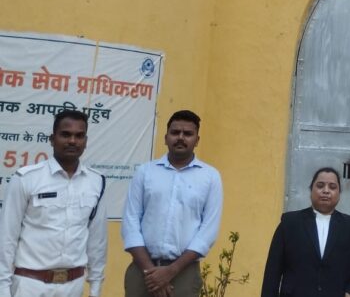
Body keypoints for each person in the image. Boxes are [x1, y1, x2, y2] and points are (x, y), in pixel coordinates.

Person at [0, 109, 108, 297]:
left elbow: (97, 241)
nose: (72, 141)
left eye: (79, 136)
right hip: (30, 286)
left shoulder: (96, 182)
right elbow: (6, 238)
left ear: (85, 141)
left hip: (73, 286)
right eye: (65, 134)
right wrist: (3, 289)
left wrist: (95, 288)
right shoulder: (26, 178)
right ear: (52, 139)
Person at [121, 110, 223, 297]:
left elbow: (208, 231)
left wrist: (170, 271)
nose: (181, 138)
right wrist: (151, 273)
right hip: (142, 270)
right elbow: (130, 223)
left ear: (197, 140)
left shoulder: (210, 177)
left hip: (184, 273)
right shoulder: (145, 172)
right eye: (175, 132)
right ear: (165, 138)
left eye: (188, 134)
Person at [261, 167, 350, 297]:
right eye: (320, 186)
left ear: (339, 193)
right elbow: (273, 270)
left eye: (332, 187)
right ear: (311, 190)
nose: (326, 190)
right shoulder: (289, 223)